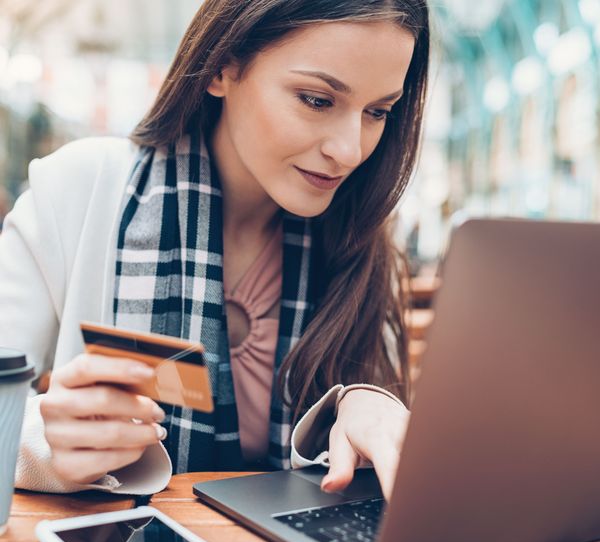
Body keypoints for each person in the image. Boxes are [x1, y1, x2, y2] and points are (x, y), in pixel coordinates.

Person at [0, 0, 429, 499]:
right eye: (316, 100)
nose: (350, 149)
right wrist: (47, 443)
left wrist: (368, 402)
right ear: (223, 67)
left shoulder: (360, 241)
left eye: (378, 112)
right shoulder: (77, 190)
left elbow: (374, 454)